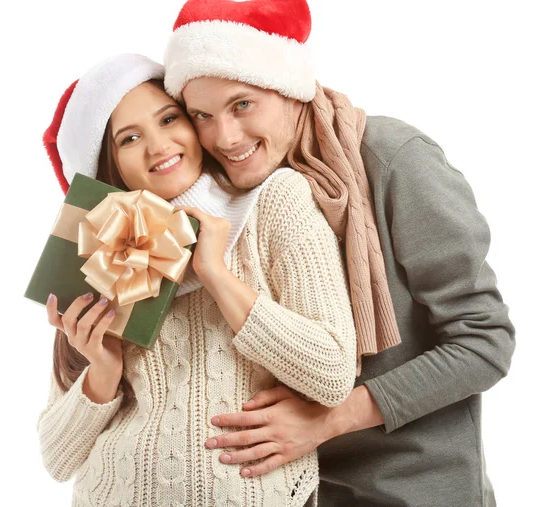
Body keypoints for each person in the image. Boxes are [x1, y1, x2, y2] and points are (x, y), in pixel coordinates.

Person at [162, 0, 516, 505]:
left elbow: (484, 342)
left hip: (415, 491)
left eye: (243, 104)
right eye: (203, 115)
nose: (225, 137)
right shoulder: (224, 197)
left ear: (289, 87)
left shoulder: (394, 160)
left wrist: (329, 419)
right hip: (292, 490)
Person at [37, 53, 357, 506]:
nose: (159, 146)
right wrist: (103, 371)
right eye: (130, 138)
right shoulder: (100, 248)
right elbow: (56, 458)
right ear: (109, 166)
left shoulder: (276, 201)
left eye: (169, 118)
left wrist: (216, 275)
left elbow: (333, 374)